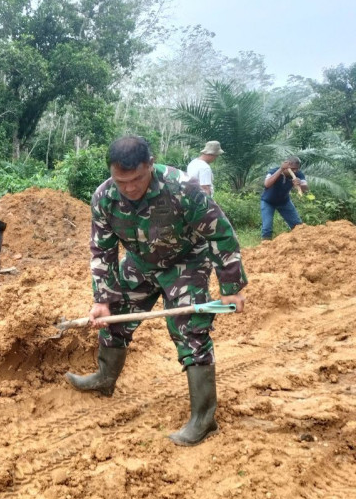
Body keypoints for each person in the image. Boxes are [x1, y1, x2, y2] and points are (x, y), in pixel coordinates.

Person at [65, 136, 247, 447]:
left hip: (186, 261)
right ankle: (104, 379)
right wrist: (102, 300)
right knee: (114, 317)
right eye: (122, 180)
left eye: (137, 179)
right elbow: (103, 250)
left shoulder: (182, 188)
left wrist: (231, 286)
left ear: (151, 165)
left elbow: (220, 231)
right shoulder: (105, 197)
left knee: (190, 330)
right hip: (140, 261)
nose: (130, 188)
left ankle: (204, 420)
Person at [260, 156, 308, 240]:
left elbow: (305, 189)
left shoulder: (299, 174)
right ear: (287, 166)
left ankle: (301, 243)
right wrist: (280, 170)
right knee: (267, 228)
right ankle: (265, 246)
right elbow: (267, 184)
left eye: (297, 169)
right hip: (268, 202)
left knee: (297, 225)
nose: (295, 171)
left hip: (284, 202)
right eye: (292, 169)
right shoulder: (273, 171)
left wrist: (300, 184)